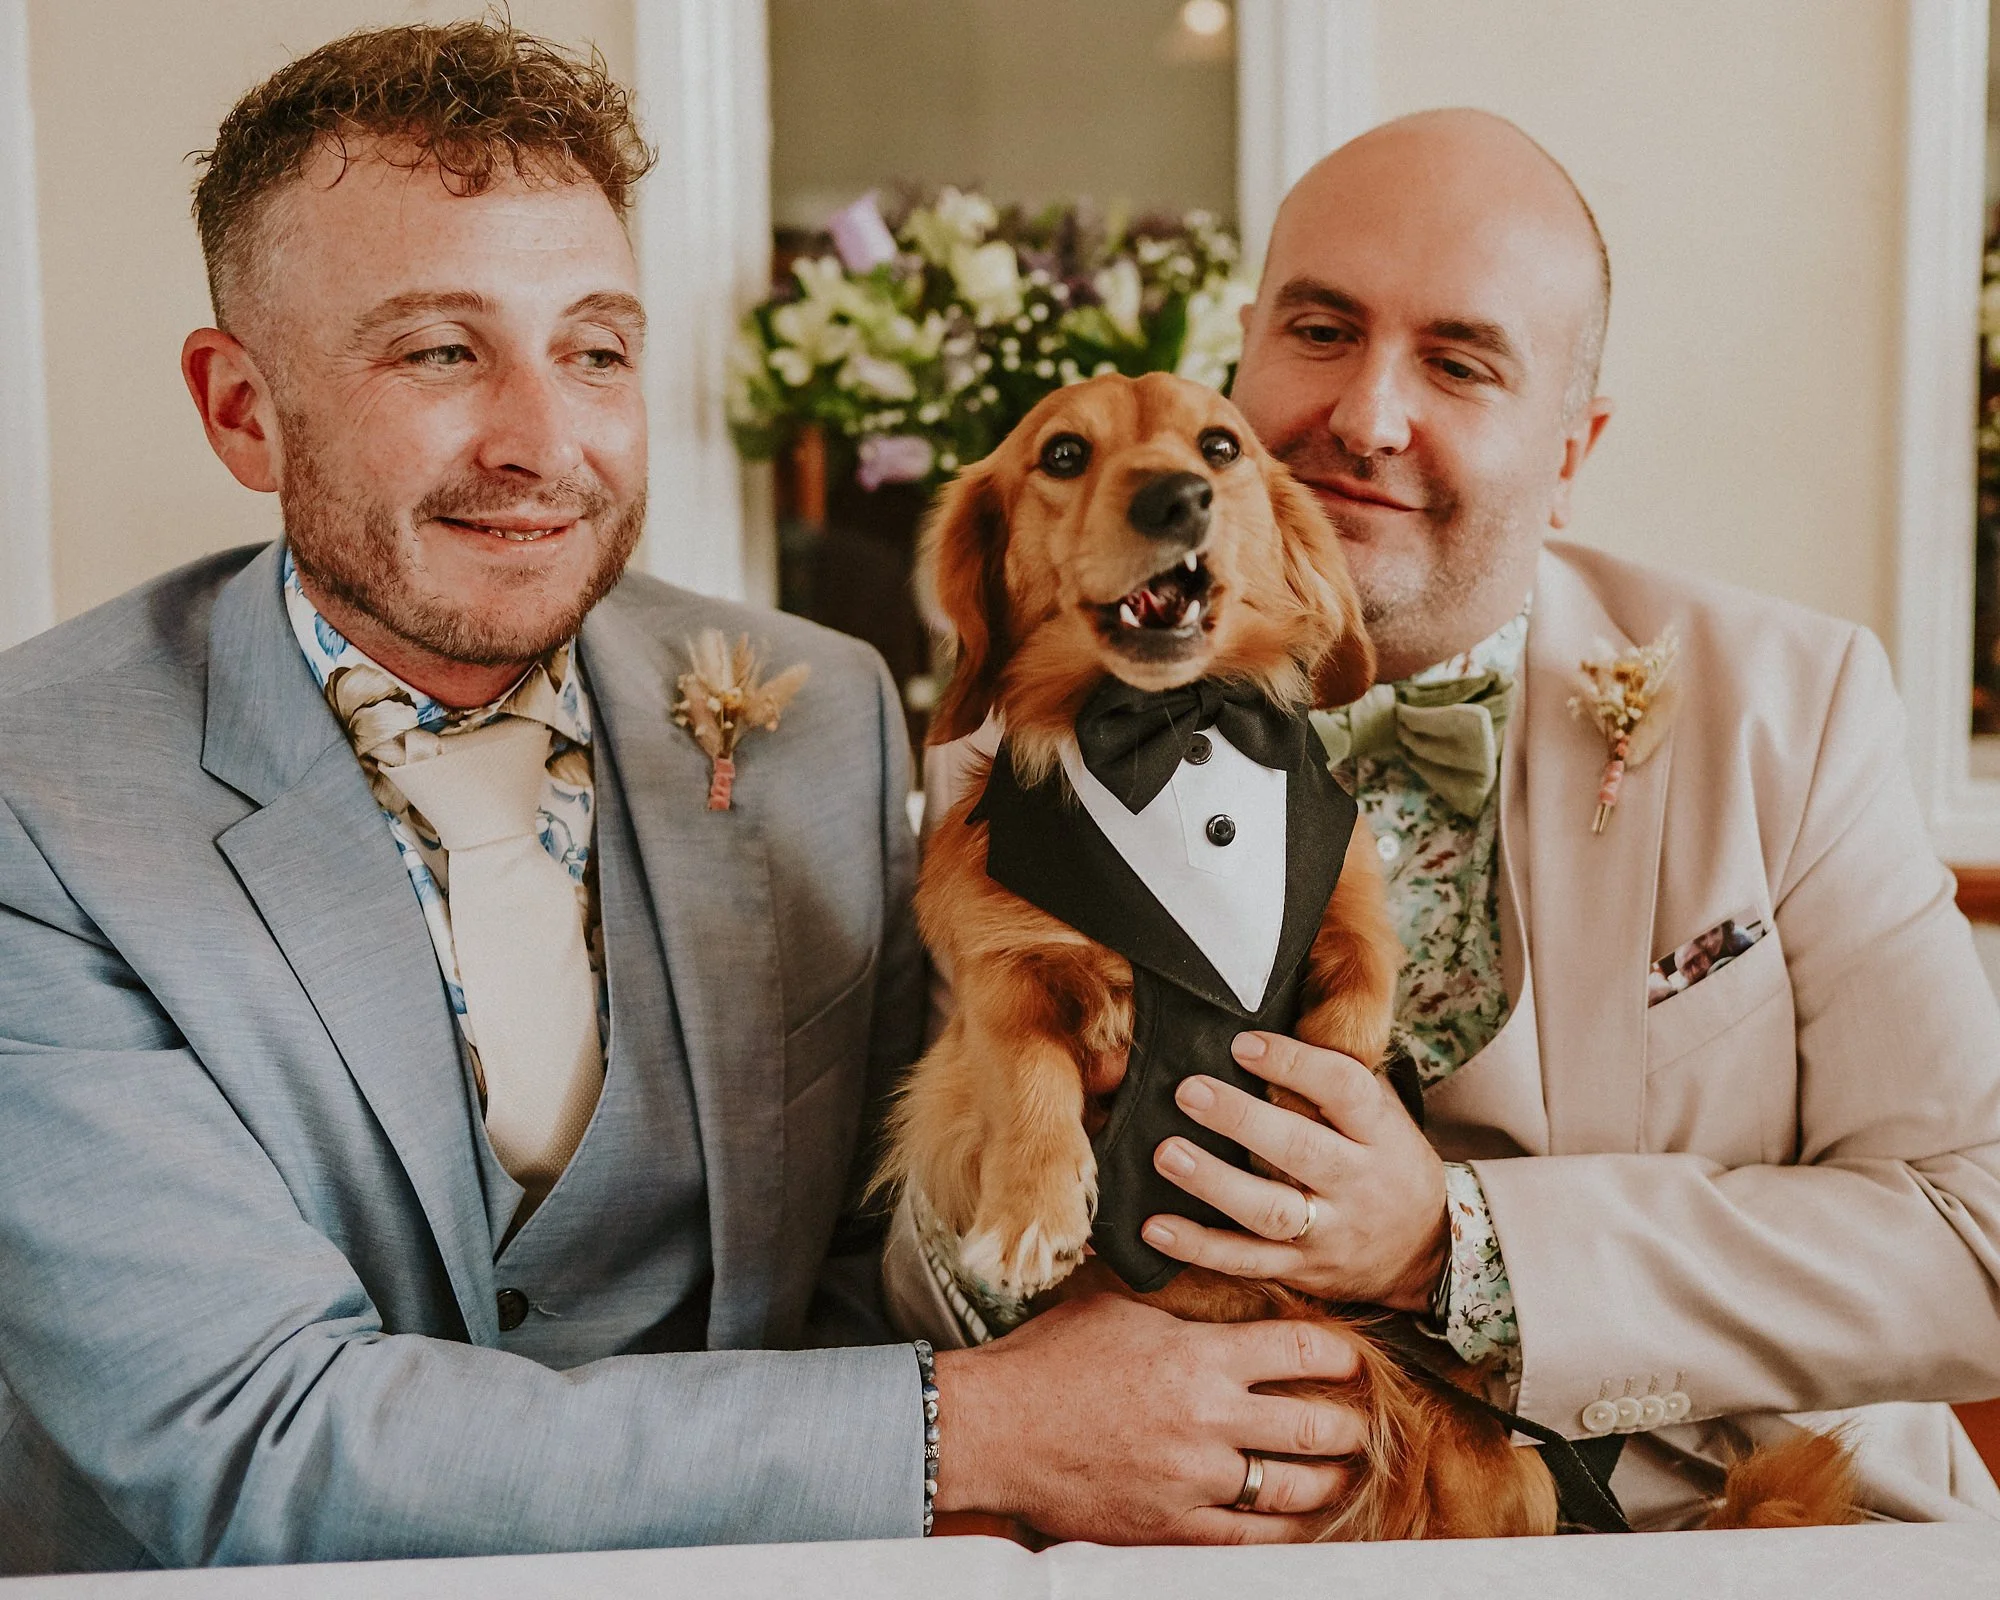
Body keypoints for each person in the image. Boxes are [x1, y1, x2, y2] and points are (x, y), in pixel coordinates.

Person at [0, 22, 1370, 1574]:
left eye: (594, 349)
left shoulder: (821, 711)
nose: (543, 444)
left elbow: (877, 1251)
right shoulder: (36, 800)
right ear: (243, 410)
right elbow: (247, 1440)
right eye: (440, 351)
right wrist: (974, 1430)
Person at [899, 110, 2000, 1529]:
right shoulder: (1013, 765)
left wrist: (1454, 1246)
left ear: (1572, 446)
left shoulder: (1790, 705)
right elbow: (914, 1269)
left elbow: (1975, 1237)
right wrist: (1015, 1228)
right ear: (1244, 356)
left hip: (1724, 1524)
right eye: (1321, 329)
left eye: (1462, 362)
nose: (1366, 415)